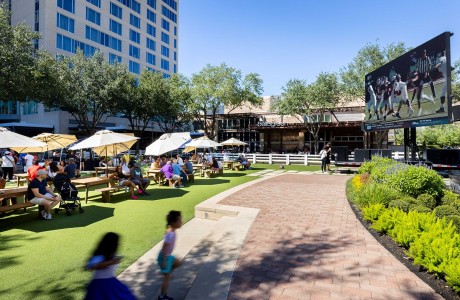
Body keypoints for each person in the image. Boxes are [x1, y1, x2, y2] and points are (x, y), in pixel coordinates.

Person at [84, 232, 136, 300]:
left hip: (110, 282)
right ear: (111, 243)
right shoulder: (99, 255)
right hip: (101, 285)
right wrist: (112, 262)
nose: (118, 244)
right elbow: (92, 266)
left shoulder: (110, 254)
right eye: (117, 242)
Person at [157, 211, 183, 300]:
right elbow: (164, 247)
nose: (181, 222)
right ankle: (162, 297)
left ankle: (166, 273)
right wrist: (164, 261)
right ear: (173, 223)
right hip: (164, 257)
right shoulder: (170, 234)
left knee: (178, 263)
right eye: (179, 220)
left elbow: (168, 226)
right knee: (167, 279)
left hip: (166, 256)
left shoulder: (171, 229)